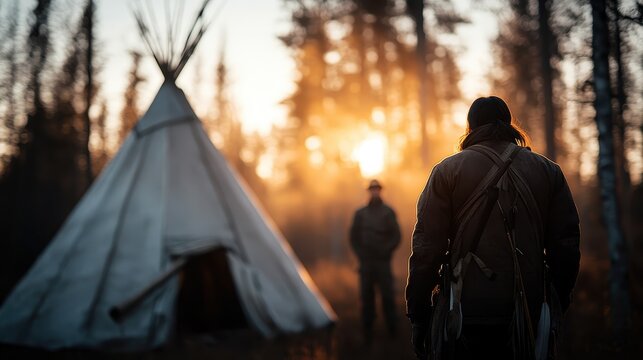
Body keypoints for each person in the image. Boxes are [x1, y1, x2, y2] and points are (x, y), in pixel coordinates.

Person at [406, 96, 580, 359]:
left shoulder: (447, 171)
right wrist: (555, 304)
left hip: (465, 311)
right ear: (509, 125)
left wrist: (419, 316)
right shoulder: (548, 171)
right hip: (528, 313)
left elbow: (426, 250)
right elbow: (566, 247)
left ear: (470, 127)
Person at [350, 179, 402, 344]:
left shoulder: (388, 212)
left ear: (380, 190)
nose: (374, 191)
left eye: (377, 189)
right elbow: (353, 237)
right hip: (366, 263)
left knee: (387, 296)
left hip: (382, 262)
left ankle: (392, 331)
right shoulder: (360, 213)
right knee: (366, 297)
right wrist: (360, 254)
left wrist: (386, 250)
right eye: (372, 189)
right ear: (369, 191)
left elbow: (397, 236)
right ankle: (367, 331)